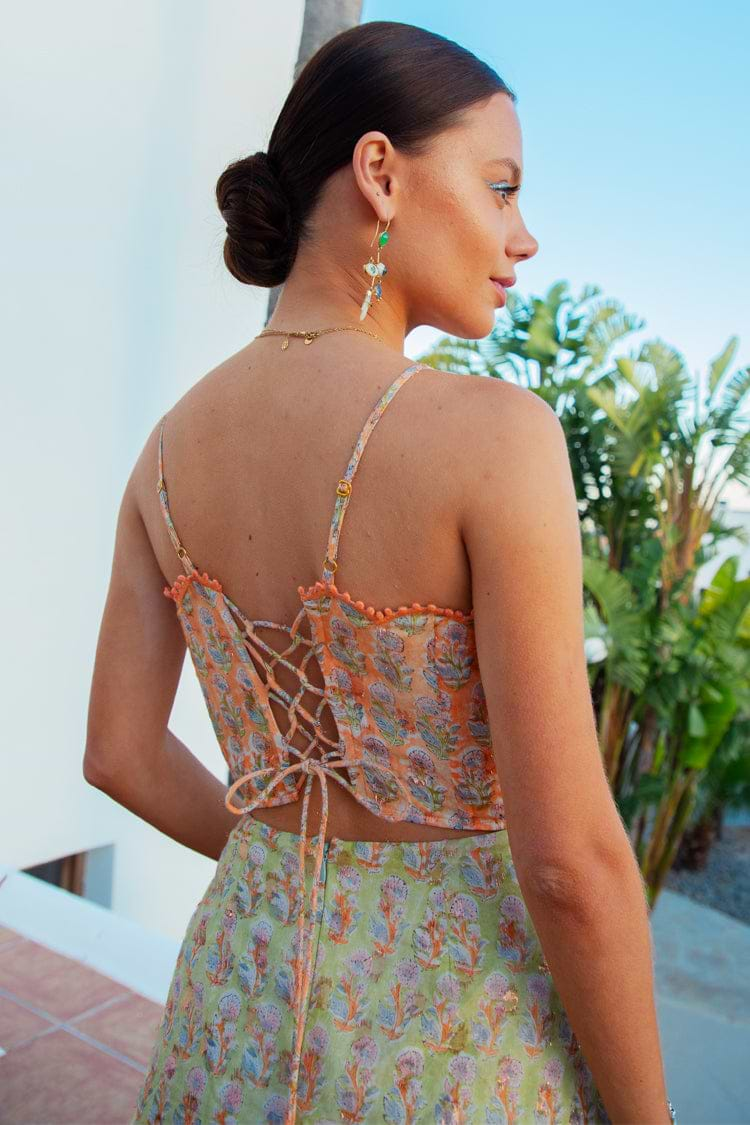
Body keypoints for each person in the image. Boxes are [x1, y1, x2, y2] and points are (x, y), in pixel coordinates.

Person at [84, 19, 676, 1125]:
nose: (525, 234)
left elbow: (117, 755)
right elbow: (570, 865)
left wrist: (303, 868)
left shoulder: (166, 448)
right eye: (501, 187)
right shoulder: (494, 437)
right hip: (457, 1051)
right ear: (380, 173)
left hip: (233, 1016)